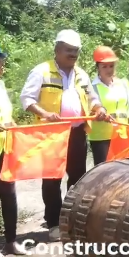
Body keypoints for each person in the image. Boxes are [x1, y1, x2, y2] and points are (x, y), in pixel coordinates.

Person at [19, 29, 108, 241]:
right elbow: (26, 99)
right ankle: (53, 223)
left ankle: (72, 219)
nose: (73, 55)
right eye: (69, 51)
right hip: (51, 134)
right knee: (52, 179)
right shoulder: (41, 71)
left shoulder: (81, 74)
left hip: (77, 133)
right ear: (57, 50)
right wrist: (44, 113)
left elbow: (92, 98)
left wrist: (99, 109)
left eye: (76, 51)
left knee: (77, 179)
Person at [0, 42, 27, 257]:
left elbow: (6, 114)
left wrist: (14, 125)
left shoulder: (0, 86)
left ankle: (11, 241)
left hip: (4, 148)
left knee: (9, 195)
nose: (2, 67)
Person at [88, 46, 129, 165]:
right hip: (102, 137)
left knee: (123, 170)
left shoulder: (122, 84)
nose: (108, 69)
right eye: (104, 66)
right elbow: (89, 110)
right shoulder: (92, 87)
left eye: (111, 66)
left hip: (122, 134)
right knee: (104, 171)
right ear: (97, 67)